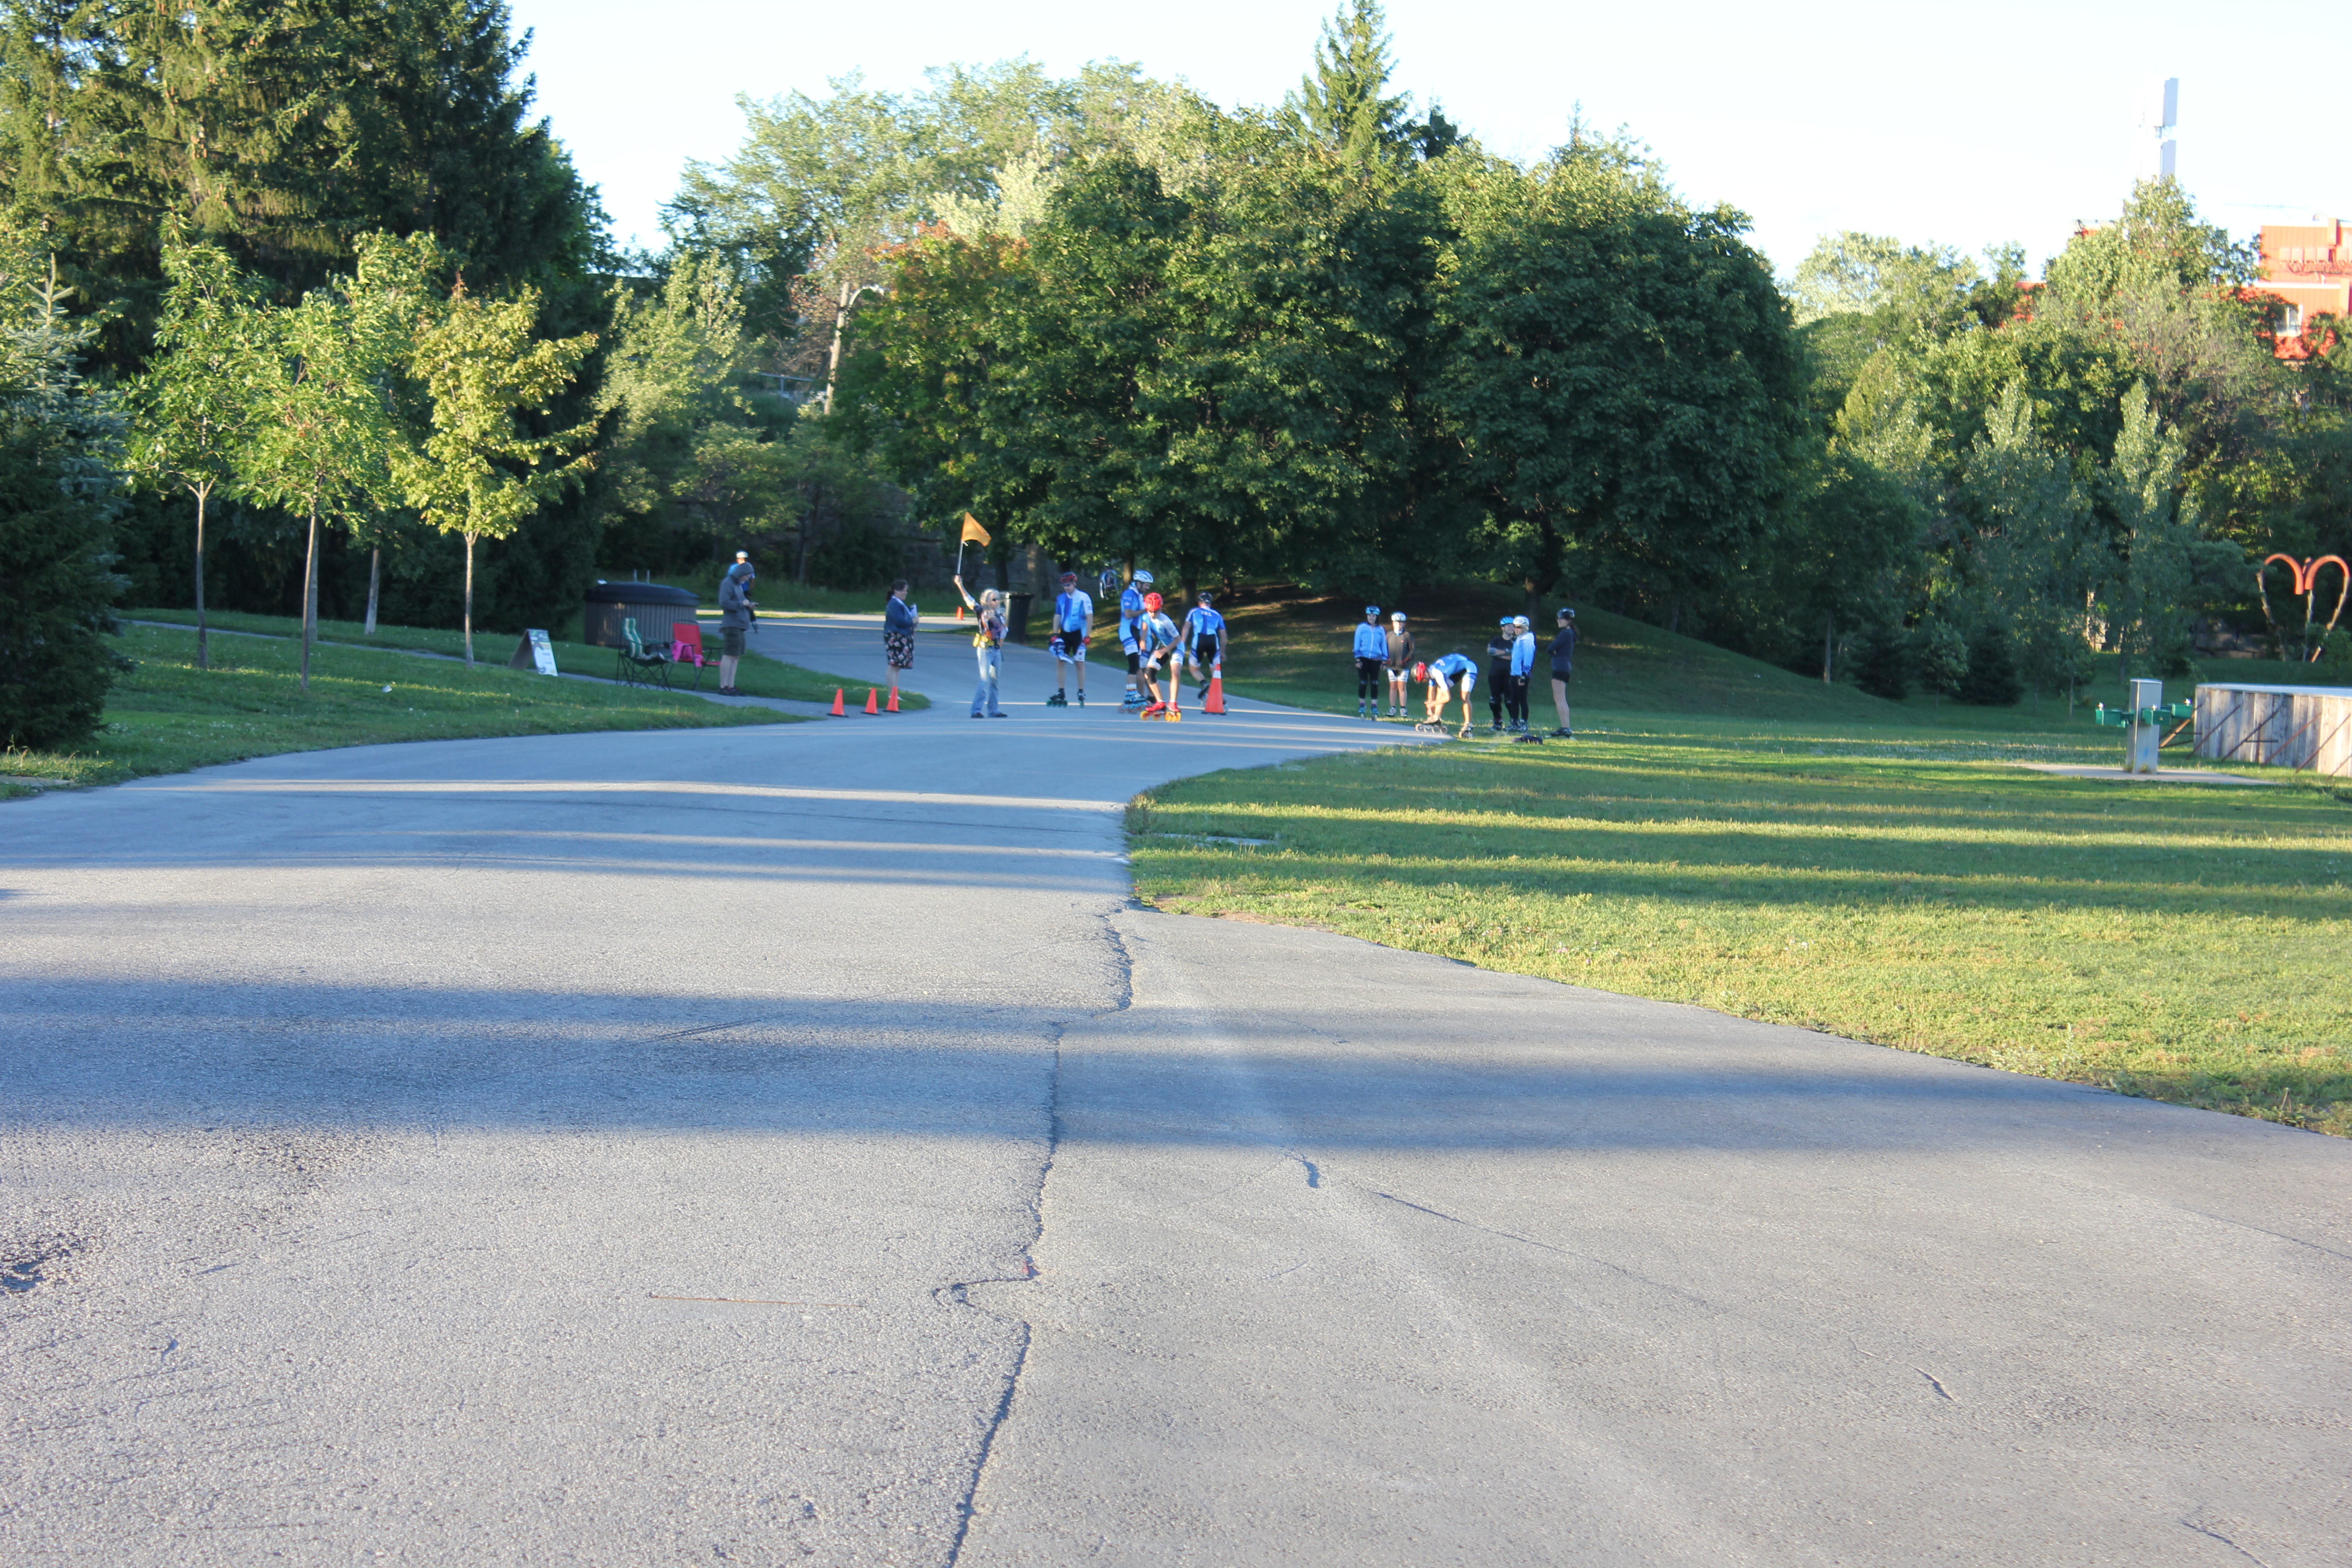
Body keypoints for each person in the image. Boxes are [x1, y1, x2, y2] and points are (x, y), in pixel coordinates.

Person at [953, 574, 1010, 718]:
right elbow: (970, 601)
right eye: (994, 599)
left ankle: (993, 710)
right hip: (986, 650)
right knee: (984, 681)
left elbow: (1003, 631)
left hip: (997, 650)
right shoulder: (982, 612)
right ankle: (976, 710)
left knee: (995, 682)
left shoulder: (1000, 614)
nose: (997, 601)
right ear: (987, 601)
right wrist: (960, 585)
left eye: (999, 599)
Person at [1045, 570, 1093, 707]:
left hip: (1080, 634)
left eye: (1069, 585)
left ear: (1075, 583)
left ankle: (1081, 691)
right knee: (1060, 661)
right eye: (1065, 586)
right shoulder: (1061, 598)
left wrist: (1088, 635)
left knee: (1079, 662)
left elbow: (1090, 616)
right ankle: (1061, 691)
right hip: (1065, 634)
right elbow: (1057, 616)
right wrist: (1055, 634)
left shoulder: (1084, 597)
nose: (1067, 588)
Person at [1135, 593, 1183, 715]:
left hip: (1176, 647)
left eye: (1156, 611)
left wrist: (1164, 650)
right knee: (1149, 674)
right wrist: (1143, 639)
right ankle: (1160, 702)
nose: (1153, 614)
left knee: (1175, 672)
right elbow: (1145, 625)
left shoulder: (1165, 621)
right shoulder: (1146, 617)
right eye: (1150, 611)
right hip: (1163, 646)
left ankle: (1173, 703)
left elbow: (1178, 639)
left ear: (1161, 609)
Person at [716, 561, 755, 696]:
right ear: (741, 573)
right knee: (729, 655)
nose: (748, 579)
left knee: (736, 656)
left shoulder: (738, 585)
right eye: (747, 576)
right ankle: (723, 686)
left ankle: (731, 686)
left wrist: (748, 605)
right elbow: (724, 603)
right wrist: (742, 603)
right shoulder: (728, 583)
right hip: (732, 625)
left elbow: (740, 603)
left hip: (740, 626)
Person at [1419, 652, 1479, 739]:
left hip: (1468, 667)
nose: (1423, 682)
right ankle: (1436, 717)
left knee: (1465, 697)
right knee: (1440, 689)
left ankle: (1468, 724)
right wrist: (1430, 708)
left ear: (1425, 675)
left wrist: (1433, 704)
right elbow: (1431, 692)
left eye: (1423, 680)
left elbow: (1447, 698)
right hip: (1458, 669)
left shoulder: (1438, 674)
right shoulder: (1430, 671)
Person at [1117, 569, 1155, 708]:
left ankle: (1138, 695)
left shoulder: (1140, 595)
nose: (1148, 588)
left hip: (1136, 631)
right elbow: (1128, 614)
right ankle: (1131, 694)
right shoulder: (1129, 594)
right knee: (1134, 664)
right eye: (1146, 585)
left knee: (1139, 666)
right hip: (1127, 631)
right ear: (1139, 583)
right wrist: (1146, 610)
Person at [1181, 589, 1226, 699]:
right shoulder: (1217, 615)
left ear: (1199, 602)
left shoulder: (1194, 611)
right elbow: (1224, 635)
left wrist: (1182, 644)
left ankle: (1204, 684)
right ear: (1210, 603)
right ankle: (1218, 696)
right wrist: (1223, 652)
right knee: (1216, 670)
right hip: (1213, 640)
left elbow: (1186, 628)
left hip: (1199, 639)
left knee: (1194, 669)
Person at [882, 579, 918, 706]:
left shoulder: (900, 604)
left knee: (897, 666)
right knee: (893, 665)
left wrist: (912, 622)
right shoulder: (894, 604)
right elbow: (900, 621)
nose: (906, 593)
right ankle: (892, 693)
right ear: (896, 591)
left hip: (902, 636)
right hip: (895, 637)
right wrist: (913, 621)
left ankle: (895, 693)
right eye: (904, 591)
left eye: (906, 591)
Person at [1352, 606, 1387, 718]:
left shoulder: (1381, 630)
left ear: (1377, 617)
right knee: (1363, 682)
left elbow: (1384, 645)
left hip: (1376, 658)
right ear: (1367, 616)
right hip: (1363, 657)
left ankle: (1374, 706)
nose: (1372, 618)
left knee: (1375, 682)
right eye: (1370, 616)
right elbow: (1357, 643)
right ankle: (1362, 705)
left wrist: (1384, 660)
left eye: (1374, 616)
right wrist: (1357, 658)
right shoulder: (1362, 628)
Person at [1548, 607, 1577, 737]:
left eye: (1562, 619)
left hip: (1559, 667)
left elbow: (1551, 648)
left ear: (1569, 620)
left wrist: (1554, 654)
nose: (1559, 621)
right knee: (1562, 698)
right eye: (1558, 619)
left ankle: (1565, 727)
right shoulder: (1571, 634)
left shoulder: (1566, 633)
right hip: (1565, 667)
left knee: (1559, 698)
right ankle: (1566, 727)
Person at [1506, 614, 1537, 734]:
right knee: (1514, 698)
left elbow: (1528, 657)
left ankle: (1524, 723)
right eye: (1515, 627)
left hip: (1522, 674)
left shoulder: (1527, 640)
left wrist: (1524, 674)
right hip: (1515, 673)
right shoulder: (1519, 639)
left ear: (1525, 628)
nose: (1516, 629)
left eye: (1518, 627)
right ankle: (1514, 722)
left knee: (1522, 699)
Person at [1484, 618, 1515, 733]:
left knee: (1510, 700)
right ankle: (1497, 722)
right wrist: (1508, 652)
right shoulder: (1496, 640)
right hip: (1495, 674)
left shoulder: (1516, 642)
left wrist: (1500, 654)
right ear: (1503, 628)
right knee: (1494, 701)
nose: (1511, 628)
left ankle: (1514, 722)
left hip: (1510, 674)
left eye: (1513, 626)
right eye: (1509, 626)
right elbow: (1490, 652)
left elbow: (1516, 656)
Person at [1383, 611, 1416, 719]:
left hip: (1403, 667)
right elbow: (1384, 649)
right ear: (1393, 623)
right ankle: (1392, 708)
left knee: (1402, 687)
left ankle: (1403, 709)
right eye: (1397, 622)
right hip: (1391, 666)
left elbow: (1412, 650)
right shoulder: (1389, 635)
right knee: (1393, 687)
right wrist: (1386, 659)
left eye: (1401, 622)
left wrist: (1407, 659)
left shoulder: (1407, 636)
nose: (1399, 624)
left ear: (1404, 623)